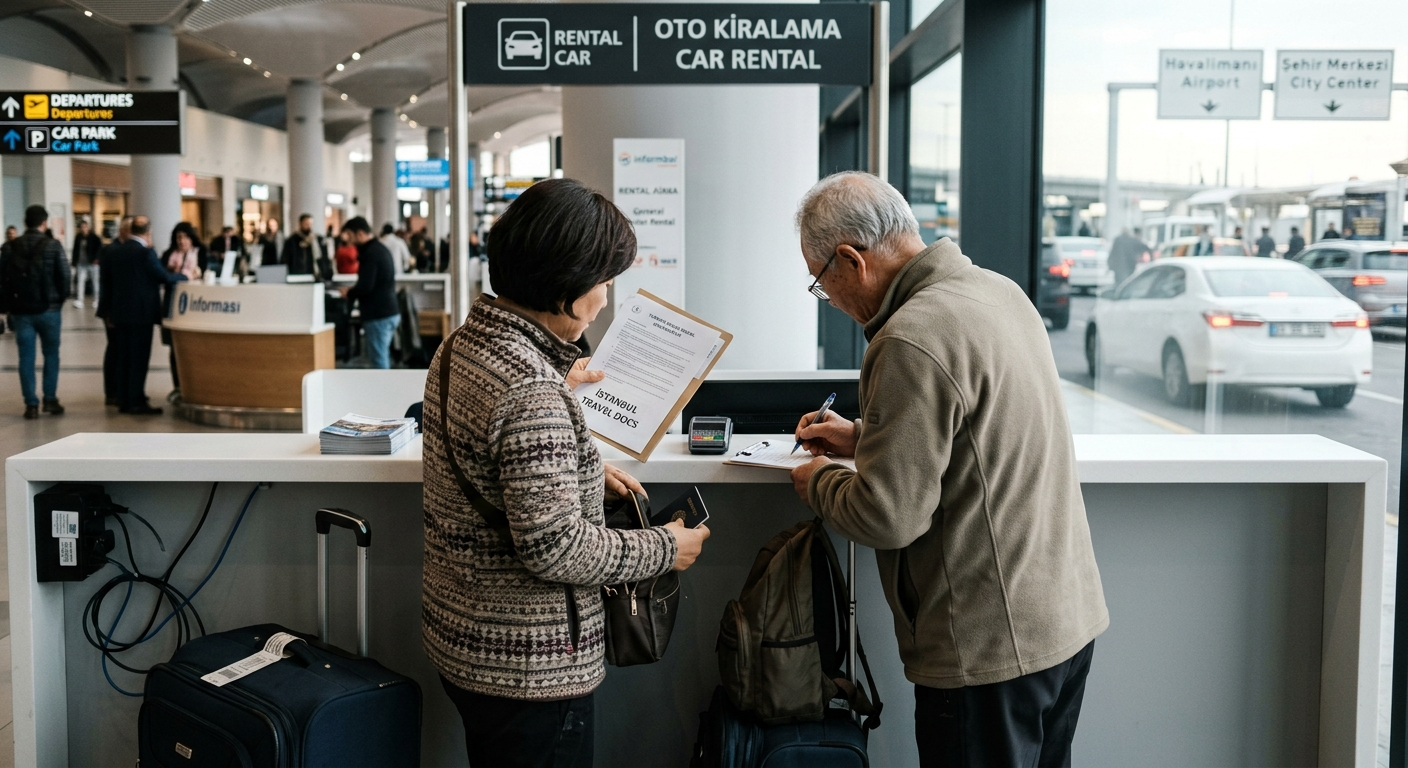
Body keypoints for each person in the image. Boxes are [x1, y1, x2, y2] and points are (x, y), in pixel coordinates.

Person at [789, 172, 1107, 767]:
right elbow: (981, 438)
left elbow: (887, 516)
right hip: (1061, 619)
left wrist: (819, 483)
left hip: (988, 648)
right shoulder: (998, 292)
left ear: (851, 260)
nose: (828, 298)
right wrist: (865, 438)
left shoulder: (911, 336)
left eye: (819, 282)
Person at [422, 178, 709, 767]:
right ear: (568, 289)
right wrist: (664, 548)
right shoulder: (532, 390)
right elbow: (555, 549)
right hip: (530, 665)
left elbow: (490, 466)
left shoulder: (461, 345)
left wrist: (579, 464)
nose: (607, 296)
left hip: (466, 635)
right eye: (605, 280)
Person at [100, 215, 186, 415]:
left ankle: (123, 399)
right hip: (141, 314)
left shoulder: (116, 251)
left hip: (120, 313)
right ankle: (136, 401)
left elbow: (109, 284)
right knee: (138, 359)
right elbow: (163, 277)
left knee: (123, 357)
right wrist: (185, 276)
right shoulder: (146, 253)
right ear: (148, 232)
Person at [0, 205, 70, 419]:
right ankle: (50, 399)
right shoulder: (53, 246)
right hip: (49, 311)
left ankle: (31, 404)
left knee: (26, 357)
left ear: (25, 222)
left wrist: (7, 307)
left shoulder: (11, 247)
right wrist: (58, 300)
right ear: (43, 223)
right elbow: (65, 277)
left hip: (21, 312)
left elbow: (3, 280)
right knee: (51, 354)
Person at [342, 218, 401, 368]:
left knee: (379, 361)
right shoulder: (378, 249)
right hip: (388, 311)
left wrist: (349, 293)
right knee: (381, 357)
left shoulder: (371, 253)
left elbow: (366, 286)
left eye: (349, 234)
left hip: (379, 315)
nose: (347, 239)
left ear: (360, 234)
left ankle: (383, 391)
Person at [97, 216, 132, 406]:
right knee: (114, 349)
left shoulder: (122, 249)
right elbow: (107, 284)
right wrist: (109, 311)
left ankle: (120, 388)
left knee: (120, 349)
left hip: (121, 308)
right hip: (113, 309)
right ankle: (112, 391)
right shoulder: (112, 250)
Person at [71, 218, 103, 309]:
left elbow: (99, 248)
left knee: (95, 282)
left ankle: (97, 299)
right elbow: (75, 249)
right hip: (81, 263)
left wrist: (97, 259)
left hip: (92, 263)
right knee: (80, 282)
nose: (83, 229)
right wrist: (74, 261)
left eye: (85, 227)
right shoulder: (78, 237)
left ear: (88, 227)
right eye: (82, 227)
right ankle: (80, 300)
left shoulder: (94, 237)